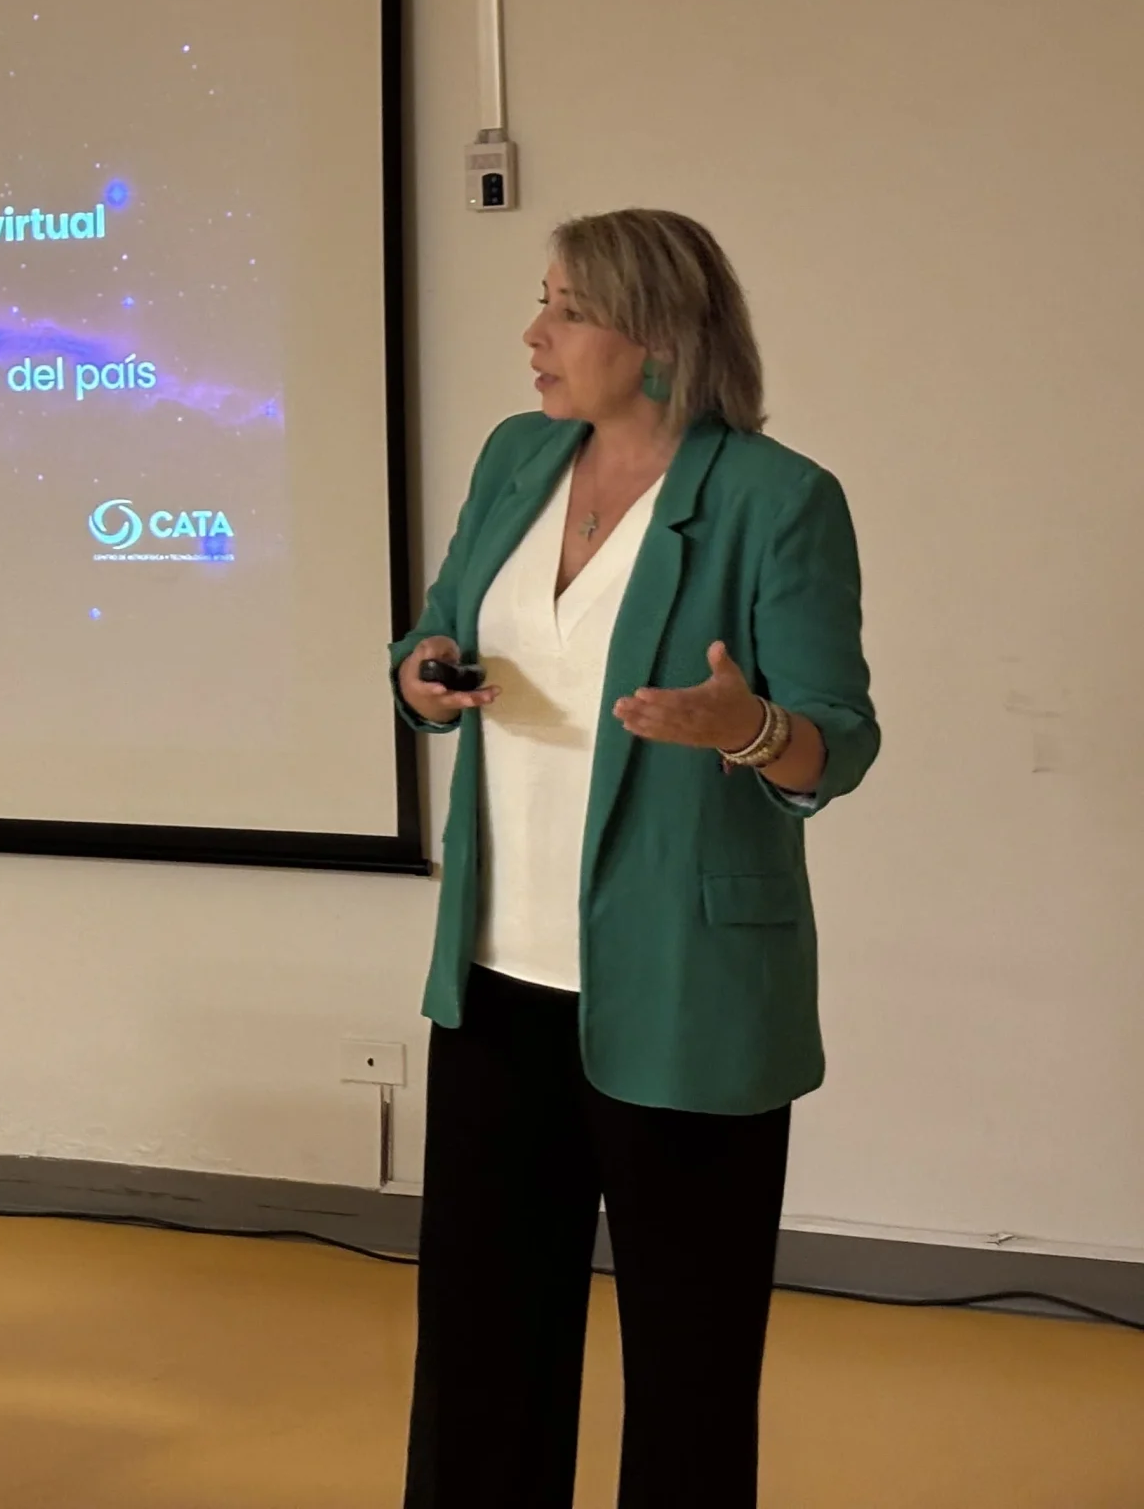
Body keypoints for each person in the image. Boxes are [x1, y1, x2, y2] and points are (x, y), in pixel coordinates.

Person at [392, 208, 878, 1509]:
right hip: (497, 974)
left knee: (688, 1364)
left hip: (687, 982)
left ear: (659, 337)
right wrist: (424, 675)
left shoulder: (778, 500)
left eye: (567, 311)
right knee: (482, 1347)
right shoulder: (516, 457)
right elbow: (437, 626)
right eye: (542, 302)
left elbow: (838, 741)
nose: (534, 334)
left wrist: (747, 729)